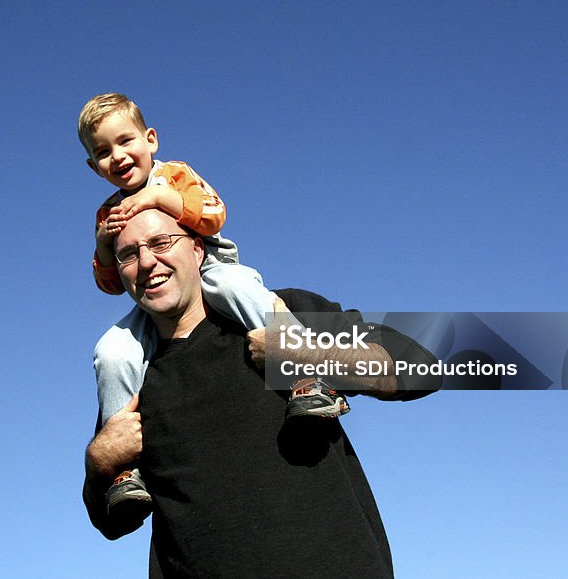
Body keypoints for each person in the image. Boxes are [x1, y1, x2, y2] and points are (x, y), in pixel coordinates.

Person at [82, 208, 440, 578]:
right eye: (128, 254)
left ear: (198, 250)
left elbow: (422, 367)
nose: (146, 262)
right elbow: (112, 522)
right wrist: (98, 462)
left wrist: (306, 353)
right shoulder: (130, 374)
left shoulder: (279, 313)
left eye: (161, 242)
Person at [78, 93, 350, 517]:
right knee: (111, 351)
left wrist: (159, 201)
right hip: (148, 325)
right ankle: (125, 473)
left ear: (150, 139)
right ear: (95, 168)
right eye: (103, 153)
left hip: (216, 272)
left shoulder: (173, 175)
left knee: (235, 286)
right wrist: (102, 246)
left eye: (125, 141)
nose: (118, 156)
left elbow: (213, 214)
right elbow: (110, 285)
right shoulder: (106, 215)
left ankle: (306, 377)